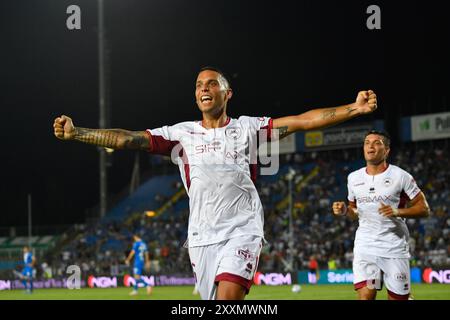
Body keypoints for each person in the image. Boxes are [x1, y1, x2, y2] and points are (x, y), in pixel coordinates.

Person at [53, 66, 377, 300]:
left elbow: (302, 121)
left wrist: (354, 108)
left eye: (212, 83)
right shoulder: (179, 134)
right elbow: (127, 140)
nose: (204, 88)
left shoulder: (249, 128)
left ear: (227, 93)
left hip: (243, 229)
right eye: (198, 85)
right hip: (201, 237)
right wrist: (78, 133)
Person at [332, 130, 430, 300]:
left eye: (377, 142)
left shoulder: (400, 176)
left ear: (387, 151)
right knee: (366, 296)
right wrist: (346, 211)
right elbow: (355, 212)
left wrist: (398, 211)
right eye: (367, 142)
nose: (370, 146)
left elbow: (424, 209)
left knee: (399, 298)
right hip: (366, 247)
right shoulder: (353, 178)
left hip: (394, 248)